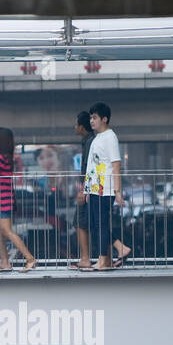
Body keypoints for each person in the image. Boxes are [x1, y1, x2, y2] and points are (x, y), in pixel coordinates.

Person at [81, 102, 131, 270]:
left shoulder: (110, 137)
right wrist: (87, 188)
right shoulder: (98, 138)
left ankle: (103, 259)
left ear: (104, 119)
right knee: (96, 224)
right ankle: (118, 249)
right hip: (95, 188)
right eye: (90, 117)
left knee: (100, 224)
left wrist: (117, 191)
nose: (91, 121)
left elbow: (116, 164)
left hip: (106, 188)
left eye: (94, 117)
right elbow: (92, 166)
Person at [0, 127, 37, 271]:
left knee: (6, 231)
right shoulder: (3, 158)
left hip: (2, 202)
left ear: (0, 140)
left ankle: (30, 259)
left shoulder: (1, 159)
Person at [72, 111, 94, 268]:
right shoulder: (89, 140)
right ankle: (90, 258)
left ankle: (85, 258)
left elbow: (88, 167)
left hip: (89, 189)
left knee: (80, 221)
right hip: (90, 188)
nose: (74, 127)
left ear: (81, 126)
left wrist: (83, 190)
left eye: (76, 124)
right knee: (92, 222)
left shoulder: (90, 142)